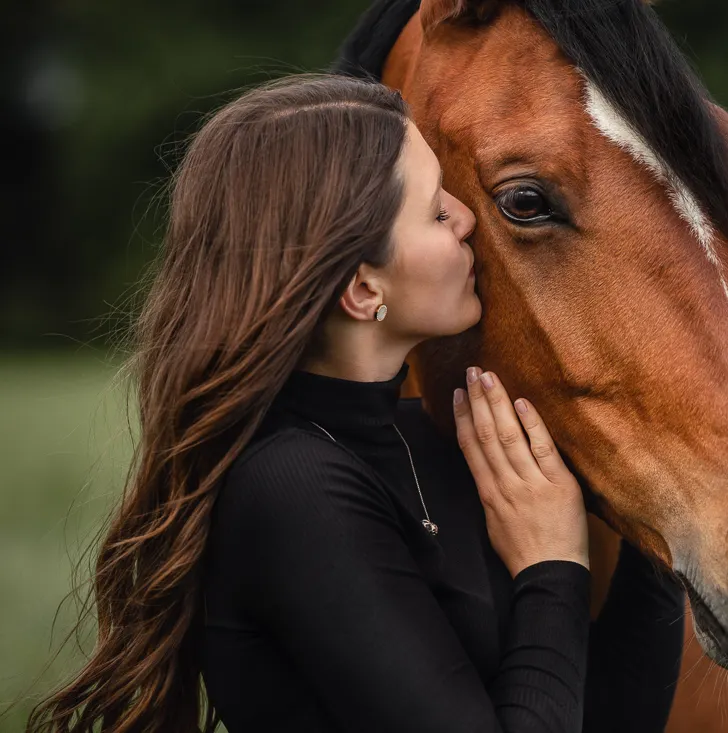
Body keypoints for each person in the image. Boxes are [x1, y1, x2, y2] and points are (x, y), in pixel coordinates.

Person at [26, 74, 684, 733]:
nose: (467, 218)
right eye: (434, 210)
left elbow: (602, 716)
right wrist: (551, 563)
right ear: (363, 290)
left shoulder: (433, 437)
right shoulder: (293, 491)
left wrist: (662, 530)